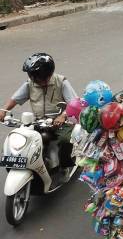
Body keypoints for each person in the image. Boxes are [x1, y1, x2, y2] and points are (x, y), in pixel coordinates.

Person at [0, 53, 78, 181]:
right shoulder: (30, 83)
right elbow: (15, 99)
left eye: (36, 76)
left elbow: (74, 104)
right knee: (20, 138)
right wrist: (3, 110)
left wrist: (63, 116)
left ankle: (65, 166)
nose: (33, 79)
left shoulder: (61, 82)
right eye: (32, 76)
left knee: (65, 139)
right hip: (38, 121)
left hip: (61, 122)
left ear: (47, 74)